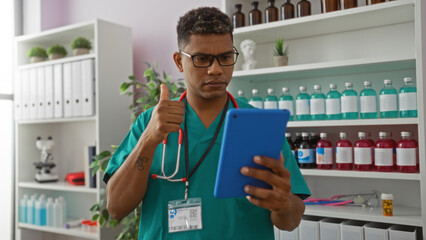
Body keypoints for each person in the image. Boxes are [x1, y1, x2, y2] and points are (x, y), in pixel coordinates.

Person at [104, 7, 310, 240]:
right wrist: (148, 140)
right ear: (179, 62)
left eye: (225, 57)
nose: (216, 69)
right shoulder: (150, 123)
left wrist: (283, 204)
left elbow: (290, 222)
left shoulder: (258, 124)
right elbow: (116, 207)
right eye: (202, 59)